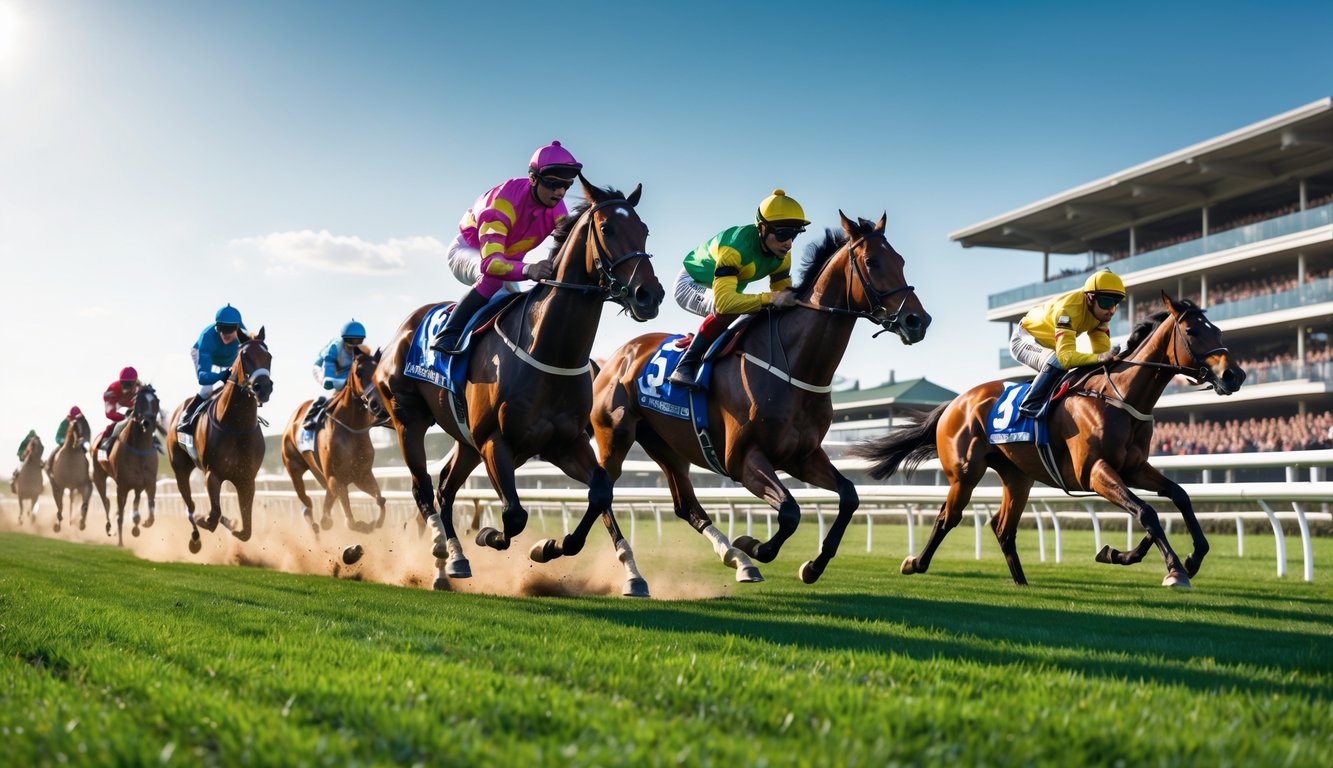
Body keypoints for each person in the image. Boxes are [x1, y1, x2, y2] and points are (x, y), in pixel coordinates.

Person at [430, 141, 580, 354]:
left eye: (567, 184)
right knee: (493, 280)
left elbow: (571, 241)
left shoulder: (556, 205)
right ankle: (447, 335)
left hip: (506, 262)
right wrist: (530, 270)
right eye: (553, 184)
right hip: (470, 252)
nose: (560, 192)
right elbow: (490, 264)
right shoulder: (502, 204)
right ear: (533, 178)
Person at [667, 189, 809, 388]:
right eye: (783, 234)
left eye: (794, 235)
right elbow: (725, 304)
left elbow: (782, 298)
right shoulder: (735, 248)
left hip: (725, 287)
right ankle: (684, 366)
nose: (789, 244)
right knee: (730, 310)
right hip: (691, 283)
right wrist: (770, 299)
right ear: (762, 228)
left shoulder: (782, 255)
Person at [1010, 269, 1125, 419]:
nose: (1111, 310)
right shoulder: (1068, 310)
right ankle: (1030, 404)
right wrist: (1100, 358)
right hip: (1025, 339)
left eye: (1116, 303)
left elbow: (1103, 355)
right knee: (1057, 361)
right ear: (1090, 298)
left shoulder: (1101, 315)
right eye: (1106, 302)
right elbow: (1065, 358)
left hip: (1050, 345)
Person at [178, 304, 245, 431]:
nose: (225, 334)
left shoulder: (244, 335)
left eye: (229, 329)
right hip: (204, 354)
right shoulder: (207, 337)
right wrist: (222, 375)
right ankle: (186, 417)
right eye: (221, 329)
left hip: (229, 358)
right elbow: (203, 377)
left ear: (238, 328)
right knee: (207, 389)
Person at [304, 320, 368, 430]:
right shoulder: (335, 347)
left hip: (344, 371)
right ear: (345, 339)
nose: (355, 345)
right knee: (328, 390)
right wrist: (329, 380)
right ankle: (310, 417)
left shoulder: (363, 349)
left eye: (358, 340)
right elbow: (328, 364)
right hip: (323, 367)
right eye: (352, 341)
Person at [96, 366, 140, 449]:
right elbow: (109, 414)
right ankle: (103, 447)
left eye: (130, 384)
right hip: (116, 402)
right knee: (113, 426)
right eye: (124, 383)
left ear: (135, 382)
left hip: (132, 404)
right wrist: (126, 418)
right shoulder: (112, 390)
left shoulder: (140, 388)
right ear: (120, 382)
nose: (126, 387)